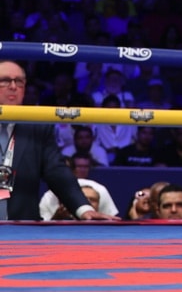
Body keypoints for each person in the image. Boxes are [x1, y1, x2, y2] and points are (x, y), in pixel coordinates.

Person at [0, 60, 117, 221]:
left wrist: (83, 209)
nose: (13, 86)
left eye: (19, 81)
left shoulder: (37, 127)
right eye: (5, 80)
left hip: (20, 227)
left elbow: (56, 171)